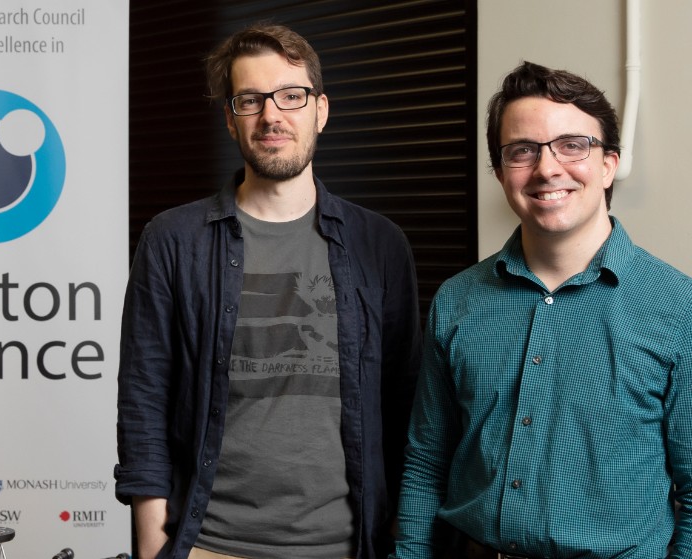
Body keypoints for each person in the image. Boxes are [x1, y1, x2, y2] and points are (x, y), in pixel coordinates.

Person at [114, 21, 421, 559]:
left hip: (347, 546)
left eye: (291, 96)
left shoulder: (381, 244)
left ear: (321, 110)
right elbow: (145, 395)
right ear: (231, 121)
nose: (271, 115)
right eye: (250, 100)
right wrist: (152, 545)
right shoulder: (173, 240)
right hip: (210, 545)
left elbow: (404, 406)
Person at [393, 61, 692, 558]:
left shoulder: (677, 305)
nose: (548, 168)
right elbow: (427, 462)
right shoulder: (458, 299)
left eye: (573, 145)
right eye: (522, 151)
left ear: (609, 164)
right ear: (500, 172)